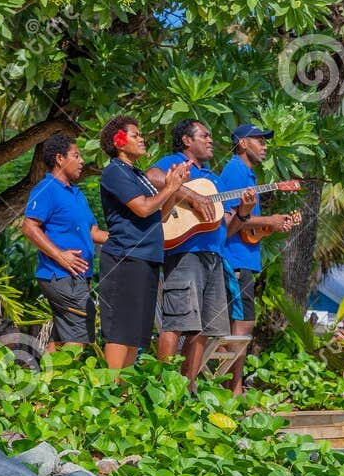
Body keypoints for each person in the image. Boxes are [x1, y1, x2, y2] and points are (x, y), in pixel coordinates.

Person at [146, 119, 254, 386]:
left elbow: (226, 229)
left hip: (214, 257)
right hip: (185, 254)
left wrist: (243, 212)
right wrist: (193, 197)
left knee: (205, 327)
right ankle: (161, 388)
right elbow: (152, 177)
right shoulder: (175, 162)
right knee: (177, 321)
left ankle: (187, 388)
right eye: (204, 136)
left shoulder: (212, 178)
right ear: (186, 140)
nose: (210, 141)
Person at [96, 114, 190, 369]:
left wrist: (173, 185)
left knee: (136, 333)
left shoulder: (137, 175)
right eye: (135, 135)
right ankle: (111, 392)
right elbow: (142, 208)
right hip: (125, 257)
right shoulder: (114, 172)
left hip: (146, 258)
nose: (142, 139)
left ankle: (123, 393)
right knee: (120, 330)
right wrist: (169, 189)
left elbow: (160, 213)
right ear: (119, 142)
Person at [219, 123, 299, 393]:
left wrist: (271, 226)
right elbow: (229, 218)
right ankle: (234, 388)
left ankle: (234, 385)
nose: (264, 146)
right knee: (241, 324)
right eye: (259, 140)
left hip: (245, 257)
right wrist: (269, 220)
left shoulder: (249, 176)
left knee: (243, 324)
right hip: (234, 259)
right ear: (242, 143)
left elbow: (248, 229)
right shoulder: (234, 170)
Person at [21, 133, 108, 349]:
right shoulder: (47, 188)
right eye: (76, 156)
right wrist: (60, 255)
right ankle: (67, 382)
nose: (81, 161)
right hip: (60, 275)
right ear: (60, 158)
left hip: (78, 276)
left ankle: (47, 382)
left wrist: (127, 239)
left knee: (61, 337)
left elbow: (92, 231)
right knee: (79, 334)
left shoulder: (77, 194)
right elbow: (29, 226)